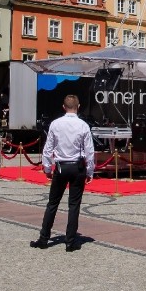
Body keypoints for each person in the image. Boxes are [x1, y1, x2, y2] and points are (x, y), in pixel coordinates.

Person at [31, 95, 95, 252]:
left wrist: (47, 168)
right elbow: (90, 151)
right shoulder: (83, 125)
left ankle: (44, 238)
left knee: (52, 203)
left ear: (63, 106)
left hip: (60, 166)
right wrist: (90, 171)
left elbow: (47, 149)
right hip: (77, 167)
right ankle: (70, 241)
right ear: (78, 106)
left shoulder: (55, 124)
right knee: (74, 205)